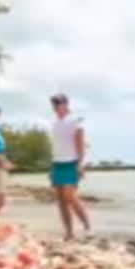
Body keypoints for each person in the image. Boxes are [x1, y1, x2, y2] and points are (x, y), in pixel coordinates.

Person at [47, 94, 92, 240]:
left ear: (66, 104)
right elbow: (55, 146)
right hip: (57, 163)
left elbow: (80, 142)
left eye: (59, 103)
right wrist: (51, 167)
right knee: (61, 200)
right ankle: (69, 232)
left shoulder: (75, 120)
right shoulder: (54, 123)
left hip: (72, 162)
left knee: (70, 196)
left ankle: (87, 227)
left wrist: (81, 163)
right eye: (54, 104)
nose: (56, 106)